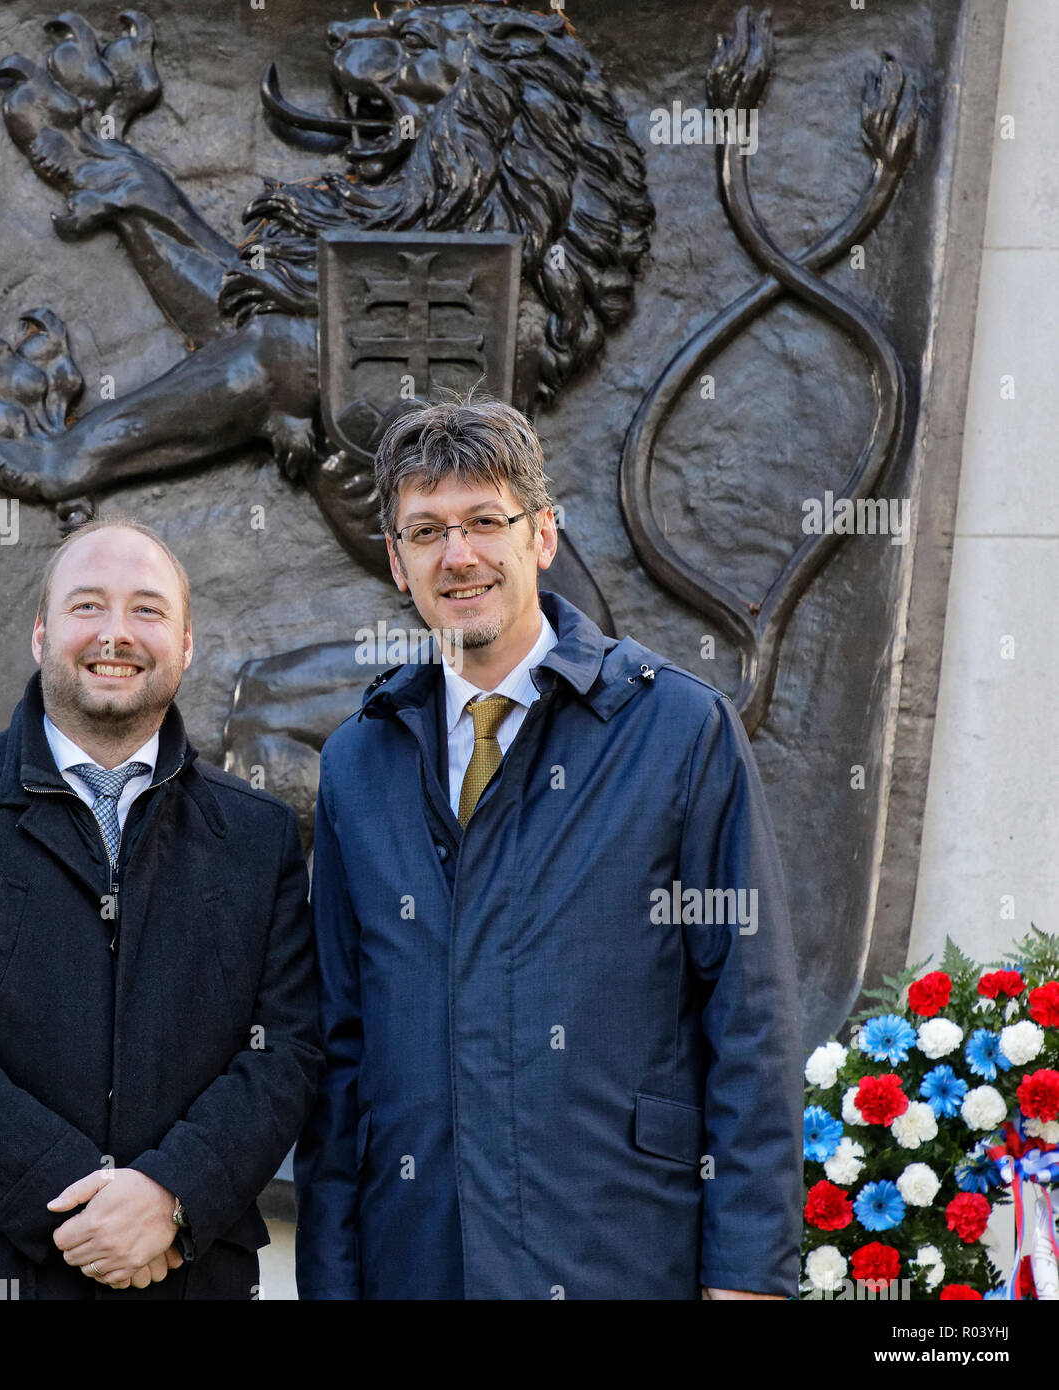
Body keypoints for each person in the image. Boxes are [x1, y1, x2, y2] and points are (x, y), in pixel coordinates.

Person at [294, 395, 803, 1299]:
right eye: (427, 531)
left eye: (487, 521)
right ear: (396, 561)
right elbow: (340, 1052)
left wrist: (749, 1272)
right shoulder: (358, 763)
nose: (460, 556)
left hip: (621, 1253)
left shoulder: (678, 730)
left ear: (543, 535)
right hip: (418, 1263)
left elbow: (750, 1012)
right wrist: (331, 1281)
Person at [0, 517, 321, 1299]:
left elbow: (288, 1050)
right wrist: (86, 1204)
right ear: (40, 635)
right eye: (87, 606)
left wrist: (170, 1195)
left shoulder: (258, 836)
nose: (116, 634)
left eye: (146, 610)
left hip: (187, 1274)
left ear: (187, 643)